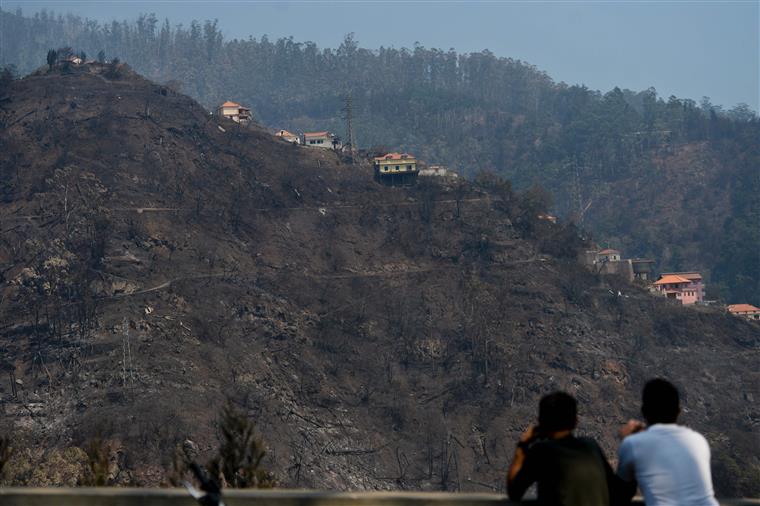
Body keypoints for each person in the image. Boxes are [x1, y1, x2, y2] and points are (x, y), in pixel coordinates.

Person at [507, 391, 627, 506]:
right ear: (575, 421)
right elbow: (616, 491)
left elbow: (514, 492)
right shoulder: (591, 446)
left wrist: (522, 446)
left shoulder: (542, 451)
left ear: (541, 422)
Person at [617, 378, 719, 506]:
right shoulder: (699, 440)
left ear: (644, 411)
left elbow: (620, 496)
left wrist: (626, 439)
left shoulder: (633, 444)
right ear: (678, 411)